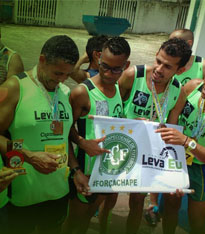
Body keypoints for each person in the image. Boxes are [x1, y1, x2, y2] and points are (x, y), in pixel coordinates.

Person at [0, 35, 80, 234]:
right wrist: (29, 156)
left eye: (67, 75)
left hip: (58, 193)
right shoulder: (14, 87)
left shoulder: (64, 92)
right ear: (42, 60)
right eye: (57, 73)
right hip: (21, 195)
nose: (61, 80)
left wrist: (76, 168)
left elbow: (63, 137)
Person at [118, 37, 192, 234]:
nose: (159, 69)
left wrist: (174, 170)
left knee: (173, 199)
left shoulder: (179, 91)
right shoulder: (133, 75)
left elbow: (173, 128)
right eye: (158, 61)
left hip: (156, 152)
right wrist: (133, 125)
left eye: (167, 66)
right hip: (130, 147)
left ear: (180, 70)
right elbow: (114, 111)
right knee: (135, 200)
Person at [62, 36, 131, 234]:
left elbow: (115, 122)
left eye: (116, 69)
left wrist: (135, 126)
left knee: (86, 219)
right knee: (73, 221)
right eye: (104, 66)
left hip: (107, 172)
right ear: (98, 58)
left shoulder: (118, 88)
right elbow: (65, 131)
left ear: (125, 65)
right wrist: (81, 146)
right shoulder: (83, 92)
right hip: (86, 171)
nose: (109, 74)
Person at [156, 57, 205, 234]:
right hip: (176, 158)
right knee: (170, 208)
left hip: (201, 168)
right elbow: (171, 115)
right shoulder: (193, 87)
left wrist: (187, 142)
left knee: (196, 220)